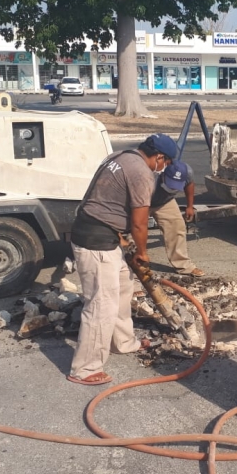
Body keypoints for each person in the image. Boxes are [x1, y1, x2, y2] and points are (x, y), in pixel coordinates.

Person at [67, 133, 179, 385]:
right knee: (101, 304)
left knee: (123, 288)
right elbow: (140, 223)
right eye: (167, 163)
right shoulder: (142, 173)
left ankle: (123, 342)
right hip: (96, 242)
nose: (165, 168)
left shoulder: (119, 156)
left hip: (103, 233)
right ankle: (84, 368)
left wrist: (120, 237)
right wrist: (142, 253)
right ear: (159, 157)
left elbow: (104, 200)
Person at [150, 160, 204, 277]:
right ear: (163, 175)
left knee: (177, 227)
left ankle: (183, 265)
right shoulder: (150, 176)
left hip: (165, 201)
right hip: (141, 201)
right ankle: (133, 265)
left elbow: (189, 184)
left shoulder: (187, 172)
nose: (173, 188)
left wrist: (190, 206)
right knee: (133, 233)